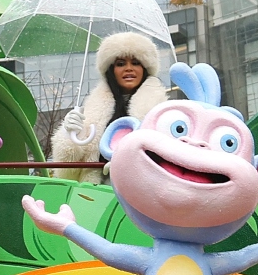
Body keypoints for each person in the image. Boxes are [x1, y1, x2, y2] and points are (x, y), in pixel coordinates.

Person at [47, 32, 170, 183]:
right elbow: (67, 167)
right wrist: (70, 134)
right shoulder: (92, 109)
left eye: (136, 62)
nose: (129, 68)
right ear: (111, 70)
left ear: (145, 68)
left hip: (142, 193)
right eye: (120, 64)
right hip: (95, 193)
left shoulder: (161, 109)